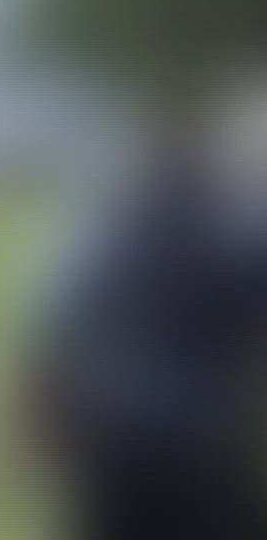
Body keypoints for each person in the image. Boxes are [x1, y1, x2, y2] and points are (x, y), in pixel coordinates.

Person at [24, 113, 267, 540]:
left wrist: (44, 422)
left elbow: (55, 338)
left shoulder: (104, 241)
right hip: (201, 445)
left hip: (116, 445)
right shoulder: (235, 239)